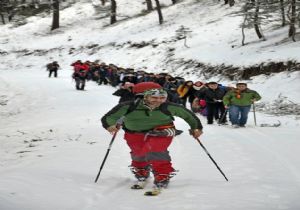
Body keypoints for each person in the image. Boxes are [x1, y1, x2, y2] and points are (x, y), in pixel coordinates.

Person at [101, 82, 203, 188]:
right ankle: (141, 169)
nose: (158, 100)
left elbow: (188, 115)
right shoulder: (129, 106)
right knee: (138, 152)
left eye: (162, 98)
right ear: (145, 96)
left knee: (156, 149)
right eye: (154, 97)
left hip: (162, 131)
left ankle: (162, 173)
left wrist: (196, 127)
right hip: (134, 132)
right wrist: (110, 125)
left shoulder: (168, 107)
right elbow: (109, 117)